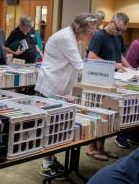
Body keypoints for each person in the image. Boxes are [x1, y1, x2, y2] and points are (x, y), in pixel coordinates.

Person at [34, 13, 98, 177]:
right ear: (82, 29)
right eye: (91, 30)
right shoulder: (66, 38)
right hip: (51, 87)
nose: (93, 32)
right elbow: (80, 66)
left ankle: (51, 160)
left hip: (59, 87)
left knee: (58, 126)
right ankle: (47, 164)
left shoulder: (71, 37)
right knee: (52, 126)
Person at [88, 12, 131, 157]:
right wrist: (114, 65)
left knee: (109, 115)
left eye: (122, 31)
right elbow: (91, 57)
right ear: (111, 22)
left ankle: (101, 148)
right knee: (97, 115)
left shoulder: (118, 36)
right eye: (118, 29)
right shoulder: (99, 35)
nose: (120, 32)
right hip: (97, 80)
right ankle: (92, 149)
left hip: (111, 81)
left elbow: (121, 56)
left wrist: (130, 69)